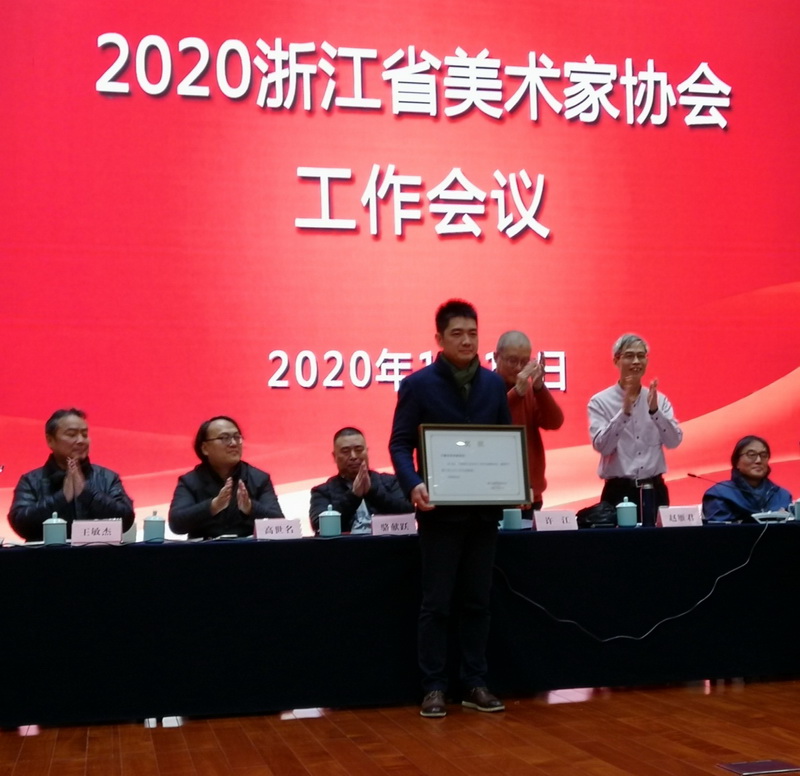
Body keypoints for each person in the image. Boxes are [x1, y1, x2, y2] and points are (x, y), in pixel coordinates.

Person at [389, 299, 511, 718]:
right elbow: (399, 444)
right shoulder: (418, 385)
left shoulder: (494, 385)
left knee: (478, 602)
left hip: (483, 513)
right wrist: (413, 483)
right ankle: (434, 687)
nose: (466, 341)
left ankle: (475, 682)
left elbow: (505, 442)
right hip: (439, 513)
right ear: (439, 339)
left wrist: (515, 482)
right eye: (457, 334)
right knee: (436, 604)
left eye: (473, 333)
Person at [587, 333, 683, 525]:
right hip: (619, 491)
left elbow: (674, 442)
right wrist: (624, 412)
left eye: (641, 356)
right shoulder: (600, 401)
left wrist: (655, 412)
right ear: (616, 360)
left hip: (654, 490)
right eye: (629, 356)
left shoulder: (659, 399)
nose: (636, 361)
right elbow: (603, 447)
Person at [8, 408, 135, 542]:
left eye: (85, 434)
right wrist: (61, 497)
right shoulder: (31, 481)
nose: (81, 440)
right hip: (47, 555)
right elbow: (20, 524)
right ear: (50, 440)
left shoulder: (108, 478)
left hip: (98, 554)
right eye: (71, 434)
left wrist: (86, 494)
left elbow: (126, 519)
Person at [168, 416, 284, 539]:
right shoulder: (190, 481)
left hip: (249, 549)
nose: (233, 443)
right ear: (205, 448)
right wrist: (213, 506)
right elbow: (176, 524)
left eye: (237, 437)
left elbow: (279, 522)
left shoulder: (259, 479)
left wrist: (251, 508)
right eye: (224, 438)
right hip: (204, 549)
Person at [494, 331, 564, 512]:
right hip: (492, 493)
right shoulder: (485, 386)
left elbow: (555, 422)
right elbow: (491, 423)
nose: (518, 368)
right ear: (496, 357)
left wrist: (539, 387)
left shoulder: (530, 391)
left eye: (524, 362)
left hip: (530, 495)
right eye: (512, 360)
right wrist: (516, 393)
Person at [309, 427, 413, 534]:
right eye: (345, 451)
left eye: (359, 450)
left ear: (366, 452)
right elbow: (318, 524)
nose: (353, 456)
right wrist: (353, 496)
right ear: (334, 456)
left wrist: (371, 493)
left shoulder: (390, 482)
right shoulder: (322, 491)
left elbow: (408, 511)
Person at [702, 436, 792, 523]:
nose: (758, 460)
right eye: (751, 455)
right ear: (737, 462)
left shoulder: (782, 495)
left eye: (764, 455)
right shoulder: (719, 495)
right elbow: (720, 531)